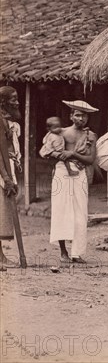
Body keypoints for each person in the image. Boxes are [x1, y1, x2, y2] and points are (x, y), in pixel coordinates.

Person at [49, 100, 98, 263]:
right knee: (61, 210)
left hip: (80, 172)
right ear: (71, 116)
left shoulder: (90, 136)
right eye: (77, 114)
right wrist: (59, 155)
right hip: (62, 172)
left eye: (84, 115)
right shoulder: (61, 133)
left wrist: (73, 154)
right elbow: (47, 152)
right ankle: (63, 251)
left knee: (80, 212)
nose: (81, 118)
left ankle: (77, 253)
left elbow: (91, 159)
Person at [0, 86, 23, 270]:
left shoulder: (10, 122)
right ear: (3, 102)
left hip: (7, 171)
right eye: (13, 99)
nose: (17, 102)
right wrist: (6, 177)